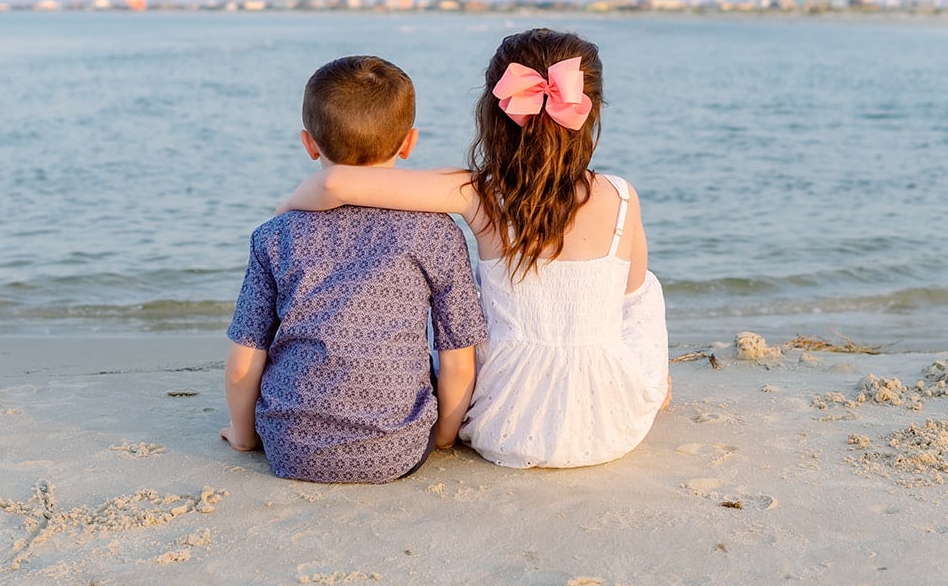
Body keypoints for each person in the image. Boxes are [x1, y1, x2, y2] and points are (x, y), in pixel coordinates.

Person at [278, 29, 669, 469]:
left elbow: (333, 182)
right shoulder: (621, 197)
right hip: (609, 426)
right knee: (643, 291)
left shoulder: (477, 193)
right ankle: (652, 384)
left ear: (492, 113)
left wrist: (284, 213)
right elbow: (631, 301)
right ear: (588, 113)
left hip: (506, 419)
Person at [222, 55, 488, 484]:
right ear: (409, 143)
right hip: (396, 450)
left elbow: (241, 364)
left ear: (309, 144)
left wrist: (243, 437)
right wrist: (440, 439)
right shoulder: (437, 231)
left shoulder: (275, 235)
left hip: (290, 450)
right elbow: (458, 360)